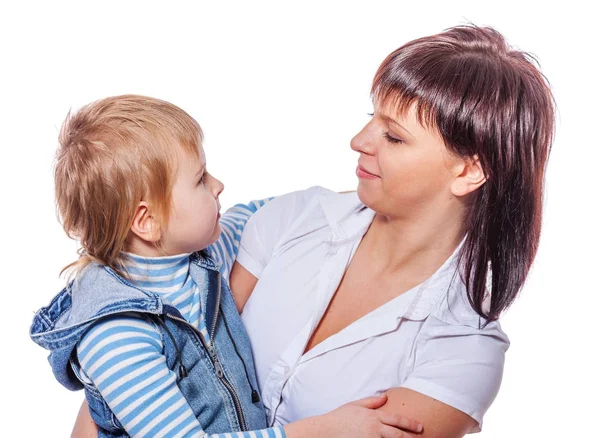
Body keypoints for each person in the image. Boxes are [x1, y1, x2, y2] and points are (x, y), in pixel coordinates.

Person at [75, 23, 555, 437]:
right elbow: (147, 352)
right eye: (372, 119)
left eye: (393, 136)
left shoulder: (461, 354)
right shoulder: (291, 220)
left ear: (469, 171)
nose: (358, 141)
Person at [30, 95, 421, 438]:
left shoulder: (203, 252)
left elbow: (281, 213)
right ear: (146, 222)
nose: (218, 185)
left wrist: (398, 196)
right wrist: (326, 430)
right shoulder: (116, 338)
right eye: (200, 179)